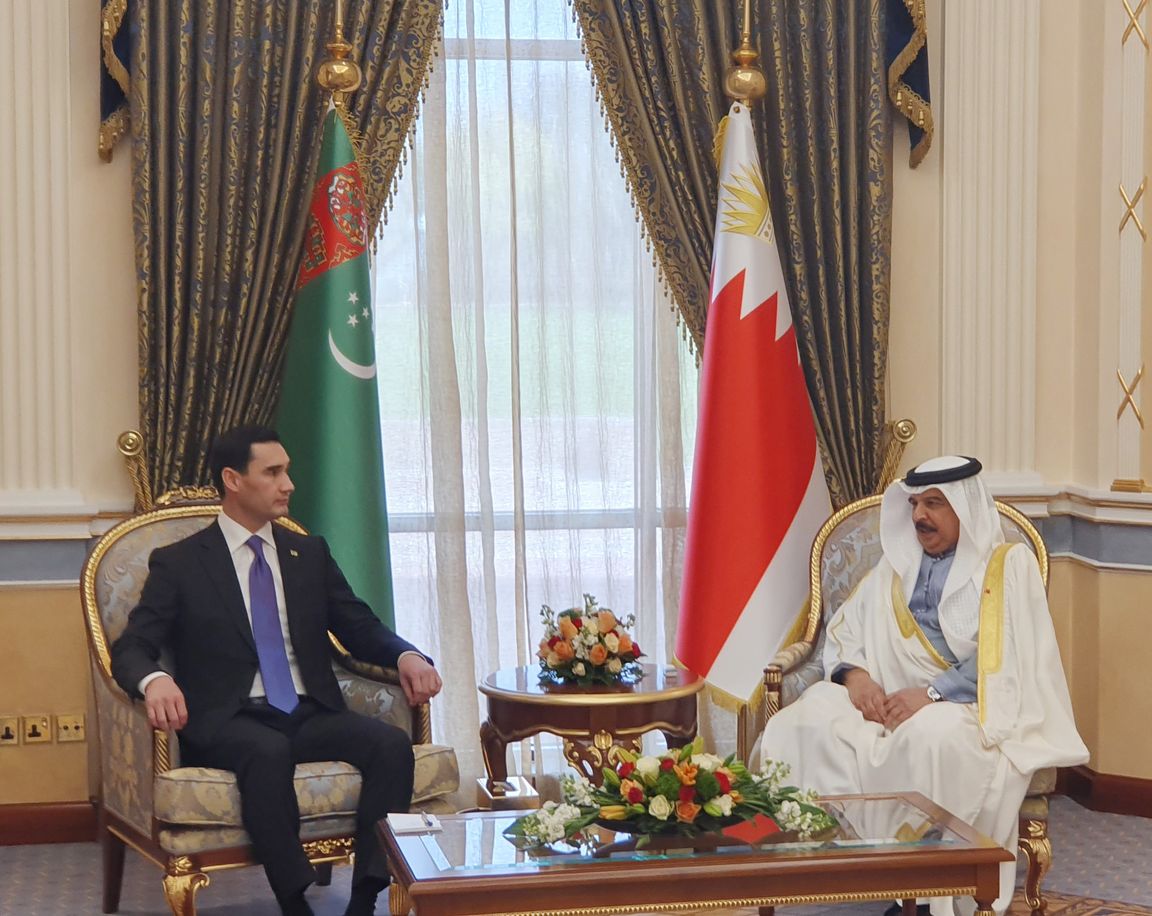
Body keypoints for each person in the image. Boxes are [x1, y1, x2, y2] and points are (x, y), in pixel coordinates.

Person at [111, 425, 442, 916]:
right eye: (272, 472)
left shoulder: (308, 554)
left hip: (307, 711)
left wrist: (406, 655)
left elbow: (358, 625)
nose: (288, 484)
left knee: (390, 745)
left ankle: (365, 897)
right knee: (267, 751)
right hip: (228, 719)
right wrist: (155, 679)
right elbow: (133, 646)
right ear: (233, 479)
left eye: (286, 471)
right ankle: (294, 901)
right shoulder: (181, 563)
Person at [758, 455, 1088, 916]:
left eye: (934, 504)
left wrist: (932, 694)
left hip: (968, 703)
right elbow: (848, 630)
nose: (919, 516)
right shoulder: (897, 566)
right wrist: (857, 678)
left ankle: (926, 889)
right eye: (915, 504)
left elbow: (1010, 658)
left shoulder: (1008, 567)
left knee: (932, 738)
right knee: (802, 720)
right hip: (888, 695)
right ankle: (808, 870)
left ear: (964, 508)